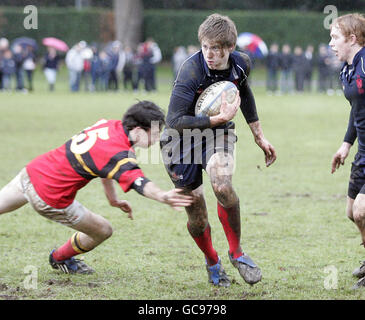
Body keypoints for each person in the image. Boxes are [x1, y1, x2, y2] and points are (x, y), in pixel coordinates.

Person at [0, 101, 193, 275]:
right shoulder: (120, 152)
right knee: (103, 230)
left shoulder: (108, 125)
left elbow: (103, 165)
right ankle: (60, 258)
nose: (156, 139)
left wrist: (112, 199)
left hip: (32, 172)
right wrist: (162, 196)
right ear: (137, 130)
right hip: (50, 197)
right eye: (155, 133)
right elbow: (139, 182)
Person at [160, 13, 277, 287]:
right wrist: (218, 119)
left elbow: (244, 92)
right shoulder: (191, 71)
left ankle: (237, 253)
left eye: (216, 48)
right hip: (179, 140)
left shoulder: (241, 64)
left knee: (222, 185)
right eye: (205, 47)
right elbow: (174, 122)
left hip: (217, 134)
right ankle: (213, 261)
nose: (209, 54)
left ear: (230, 48)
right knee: (197, 217)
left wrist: (259, 136)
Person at [329, 13, 365, 290]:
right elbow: (357, 111)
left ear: (352, 39)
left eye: (335, 38)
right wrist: (346, 144)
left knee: (363, 211)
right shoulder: (346, 70)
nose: (330, 43)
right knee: (352, 212)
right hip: (362, 151)